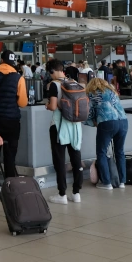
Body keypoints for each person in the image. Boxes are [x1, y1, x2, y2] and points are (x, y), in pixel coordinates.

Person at [44, 60, 83, 203]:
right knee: (76, 157)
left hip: (60, 126)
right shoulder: (74, 82)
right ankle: (76, 193)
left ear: (52, 71)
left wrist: (47, 105)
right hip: (75, 125)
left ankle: (62, 194)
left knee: (59, 160)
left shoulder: (54, 85)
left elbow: (53, 106)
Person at [0, 50, 27, 180]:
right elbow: (23, 102)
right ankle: (10, 181)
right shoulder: (18, 78)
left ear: (1, 60)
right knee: (10, 152)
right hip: (12, 119)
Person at [86, 77, 129, 190]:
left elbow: (89, 112)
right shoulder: (112, 91)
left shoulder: (92, 93)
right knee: (119, 151)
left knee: (101, 152)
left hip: (107, 122)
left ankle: (106, 183)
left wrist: (90, 122)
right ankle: (122, 182)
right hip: (123, 121)